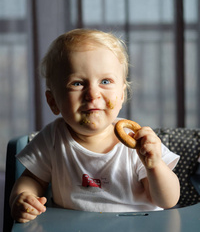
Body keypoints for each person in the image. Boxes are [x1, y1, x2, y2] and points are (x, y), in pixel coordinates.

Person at [9, 28, 180, 223]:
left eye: (105, 81)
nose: (92, 94)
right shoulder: (52, 138)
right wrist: (22, 198)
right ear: (53, 101)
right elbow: (32, 179)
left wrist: (155, 165)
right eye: (77, 84)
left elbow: (168, 201)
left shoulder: (139, 143)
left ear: (122, 94)